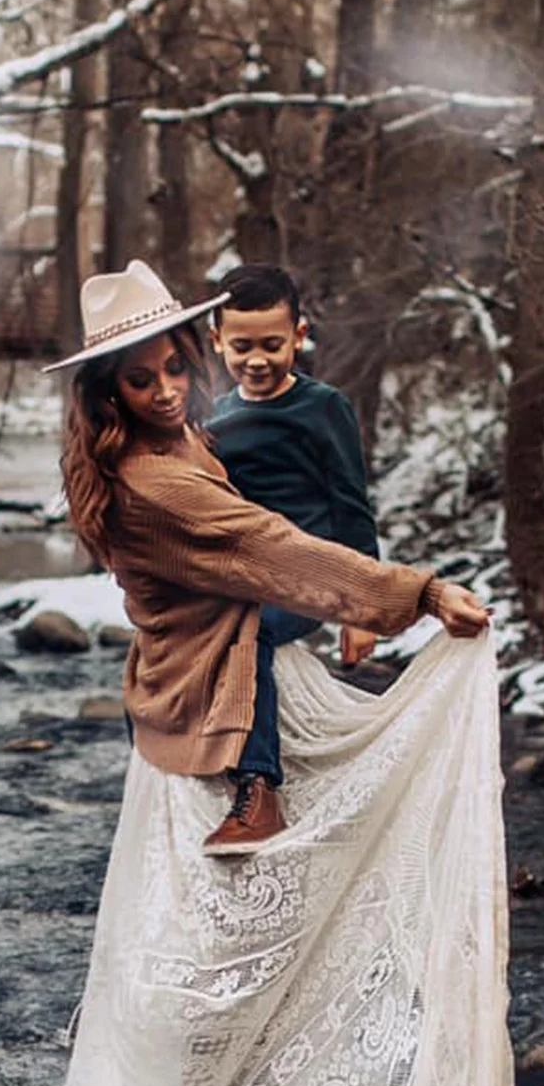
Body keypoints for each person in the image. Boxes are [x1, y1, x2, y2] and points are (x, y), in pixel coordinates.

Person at [38, 259, 515, 1086]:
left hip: (225, 702)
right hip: (214, 723)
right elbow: (269, 548)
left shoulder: (163, 444)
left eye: (172, 364)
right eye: (138, 376)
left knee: (252, 952)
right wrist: (411, 591)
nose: (165, 386)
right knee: (219, 961)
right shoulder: (155, 481)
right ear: (100, 392)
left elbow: (301, 512)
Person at [203, 264, 380, 854]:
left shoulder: (323, 408)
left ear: (299, 335)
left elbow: (351, 505)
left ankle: (261, 792)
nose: (258, 359)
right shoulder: (217, 419)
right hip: (247, 574)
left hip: (315, 576)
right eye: (243, 346)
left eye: (273, 344)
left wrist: (362, 608)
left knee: (246, 630)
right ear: (217, 341)